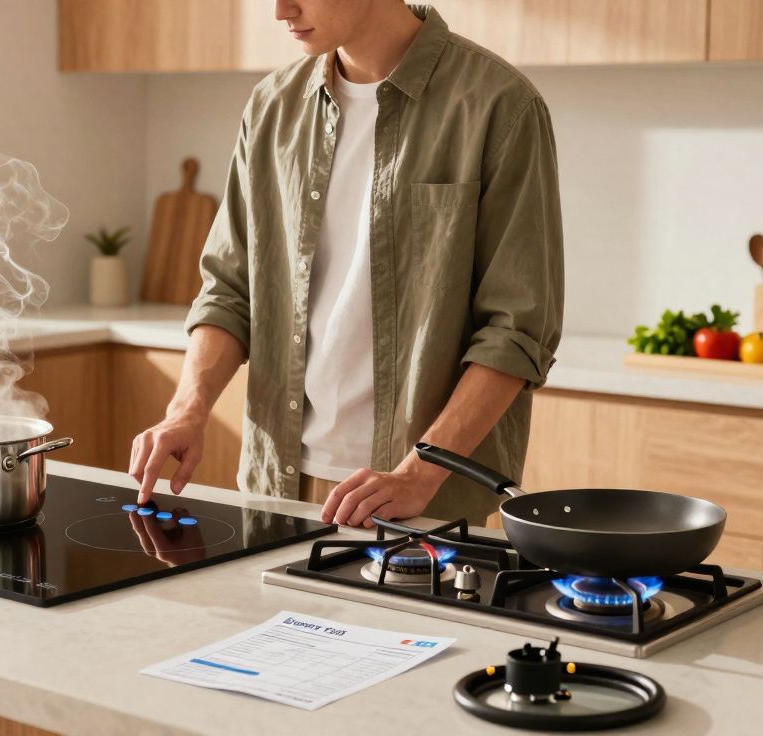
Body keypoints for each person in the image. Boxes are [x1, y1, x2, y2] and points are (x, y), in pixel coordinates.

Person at [129, 1, 563, 529]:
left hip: (422, 500)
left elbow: (516, 332)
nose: (280, 10)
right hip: (279, 488)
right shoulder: (273, 107)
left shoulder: (499, 105)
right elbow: (230, 289)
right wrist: (188, 411)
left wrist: (419, 474)